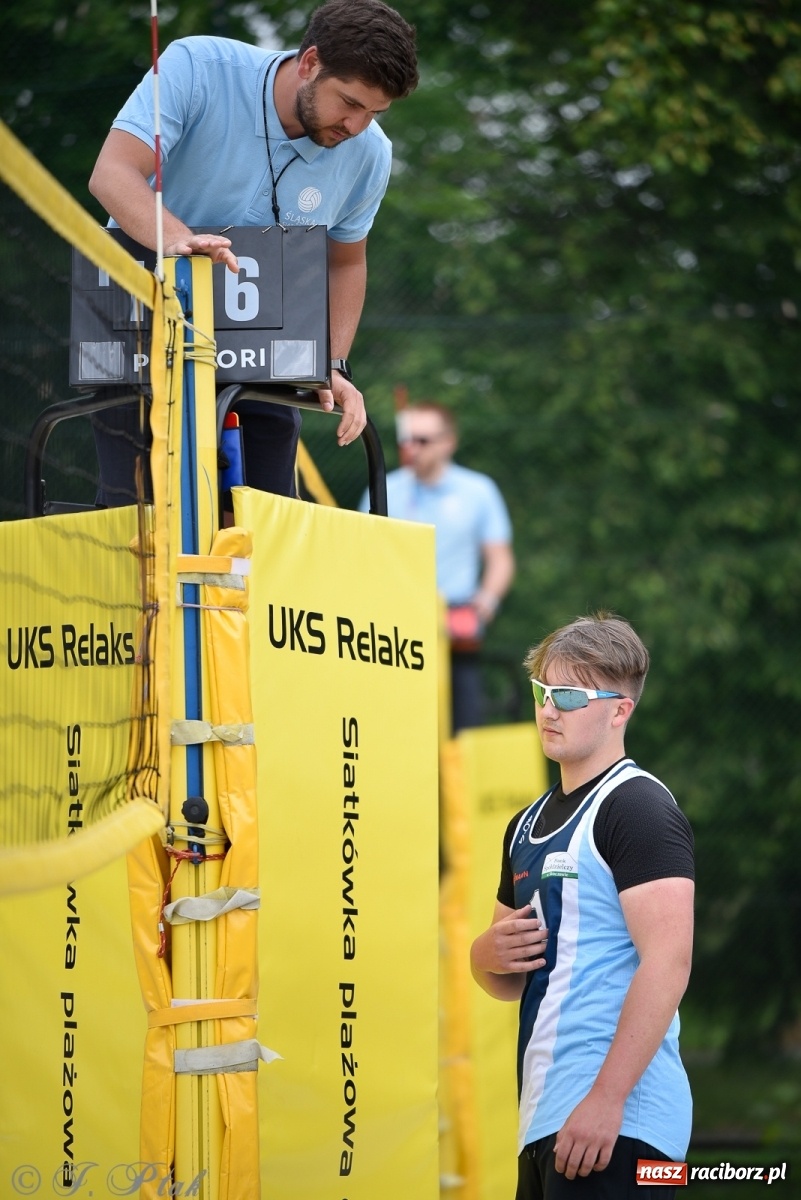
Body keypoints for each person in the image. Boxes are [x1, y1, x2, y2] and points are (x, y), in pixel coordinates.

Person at [87, 0, 418, 505]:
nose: (356, 125)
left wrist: (331, 362)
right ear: (310, 62)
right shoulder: (197, 66)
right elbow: (112, 173)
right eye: (349, 103)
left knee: (260, 523)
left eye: (374, 112)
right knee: (140, 518)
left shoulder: (370, 152)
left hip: (265, 337)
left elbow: (346, 260)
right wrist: (179, 241)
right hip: (144, 309)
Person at [470, 613, 694, 1199]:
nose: (549, 709)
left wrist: (607, 1099)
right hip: (550, 1120)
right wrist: (481, 954)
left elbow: (669, 964)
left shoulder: (638, 806)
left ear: (620, 709)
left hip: (621, 1123)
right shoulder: (523, 824)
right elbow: (507, 980)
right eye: (543, 691)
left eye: (568, 695)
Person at [361, 401, 515, 732]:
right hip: (395, 638)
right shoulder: (383, 488)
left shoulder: (479, 490)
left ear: (449, 442)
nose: (412, 448)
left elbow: (500, 558)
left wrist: (483, 607)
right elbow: (365, 559)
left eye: (423, 440)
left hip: (455, 633)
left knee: (463, 736)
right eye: (407, 440)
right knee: (397, 732)